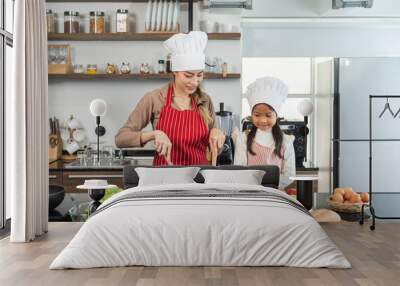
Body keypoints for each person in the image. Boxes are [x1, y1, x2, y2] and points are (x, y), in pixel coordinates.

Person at [115, 31, 225, 166]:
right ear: (175, 72)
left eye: (199, 75)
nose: (195, 82)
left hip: (199, 179)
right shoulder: (155, 99)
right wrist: (154, 134)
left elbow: (215, 151)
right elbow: (121, 138)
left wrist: (217, 135)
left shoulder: (205, 100)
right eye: (188, 76)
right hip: (165, 179)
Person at [234, 77, 296, 189]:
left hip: (276, 192)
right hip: (250, 191)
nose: (263, 120)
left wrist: (271, 187)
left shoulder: (286, 140)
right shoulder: (243, 138)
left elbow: (289, 174)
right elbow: (239, 170)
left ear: (276, 116)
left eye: (268, 115)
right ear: (251, 115)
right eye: (257, 115)